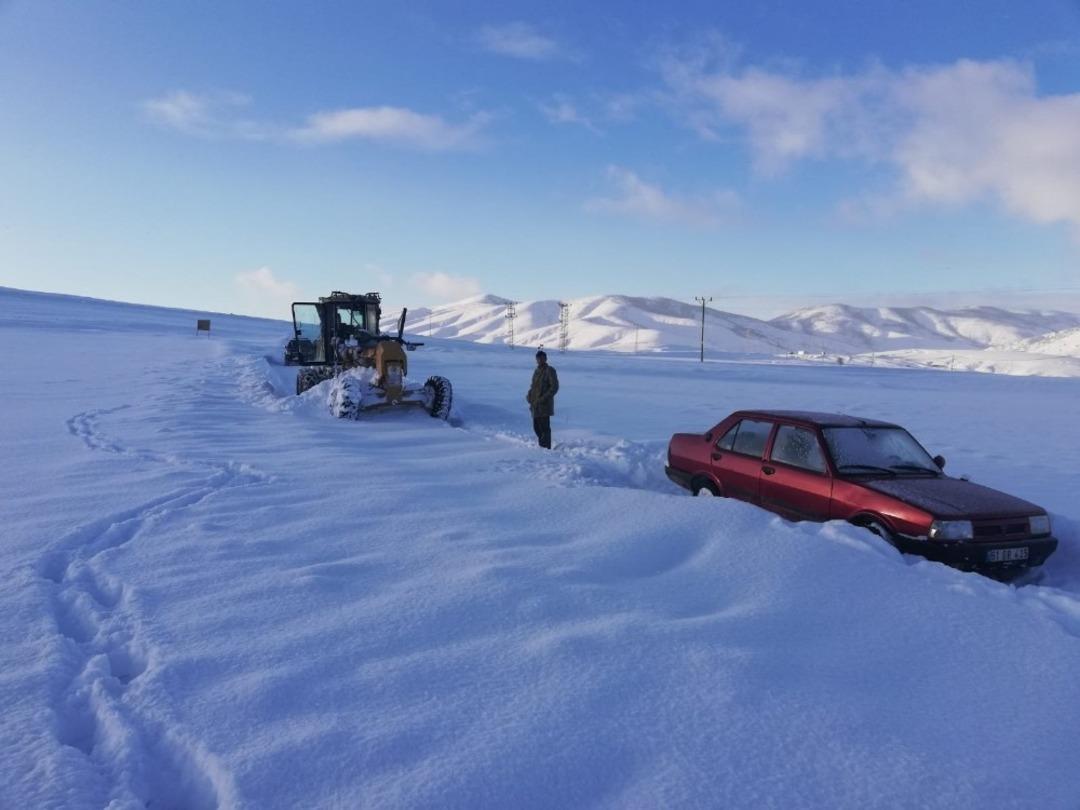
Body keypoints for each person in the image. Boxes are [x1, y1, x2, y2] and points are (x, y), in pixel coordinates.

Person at [526, 349, 559, 449]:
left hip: (544, 405)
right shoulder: (536, 371)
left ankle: (546, 448)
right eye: (538, 358)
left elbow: (554, 387)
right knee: (536, 427)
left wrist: (544, 398)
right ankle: (542, 445)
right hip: (535, 404)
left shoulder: (550, 370)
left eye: (542, 358)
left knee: (545, 428)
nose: (540, 360)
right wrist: (529, 395)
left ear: (545, 359)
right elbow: (533, 386)